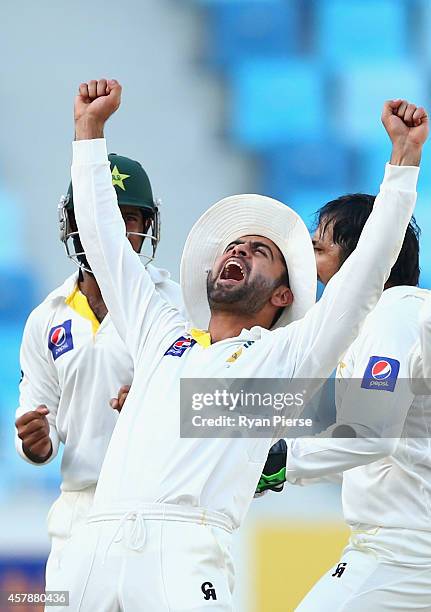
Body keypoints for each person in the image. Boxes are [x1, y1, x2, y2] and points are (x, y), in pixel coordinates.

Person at [50, 79, 426, 611]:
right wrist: (88, 134)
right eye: (234, 245)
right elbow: (107, 245)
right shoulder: (161, 333)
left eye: (260, 250)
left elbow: (365, 276)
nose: (240, 250)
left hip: (183, 551)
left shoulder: (286, 357)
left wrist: (403, 164)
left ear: (283, 293)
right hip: (95, 543)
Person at [14, 153, 183, 584]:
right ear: (74, 224)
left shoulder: (179, 306)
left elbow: (206, 404)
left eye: (129, 217)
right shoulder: (45, 318)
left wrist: (155, 402)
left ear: (148, 227)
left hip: (158, 506)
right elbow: (40, 422)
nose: (115, 229)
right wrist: (36, 442)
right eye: (101, 214)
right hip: (78, 512)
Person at [273, 191, 431, 609]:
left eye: (318, 248)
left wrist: (277, 463)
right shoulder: (395, 317)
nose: (306, 262)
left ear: (367, 256)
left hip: (406, 550)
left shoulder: (390, 315)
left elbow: (369, 437)